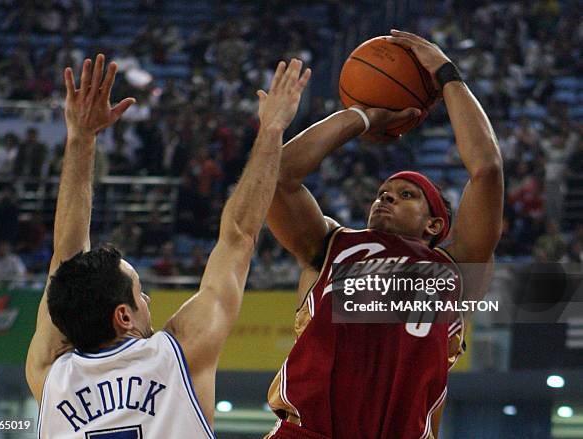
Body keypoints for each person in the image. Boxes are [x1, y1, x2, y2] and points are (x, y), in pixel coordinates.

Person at [25, 54, 311, 438]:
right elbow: (238, 235)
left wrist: (79, 139)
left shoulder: (49, 374)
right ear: (123, 316)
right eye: (141, 294)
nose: (149, 303)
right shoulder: (179, 354)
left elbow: (66, 260)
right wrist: (272, 129)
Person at [264, 30, 504, 439]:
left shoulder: (455, 267)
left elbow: (487, 170)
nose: (385, 199)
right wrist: (363, 116)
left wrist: (447, 75)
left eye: (406, 195)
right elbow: (277, 176)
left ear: (434, 226)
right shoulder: (332, 245)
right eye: (382, 194)